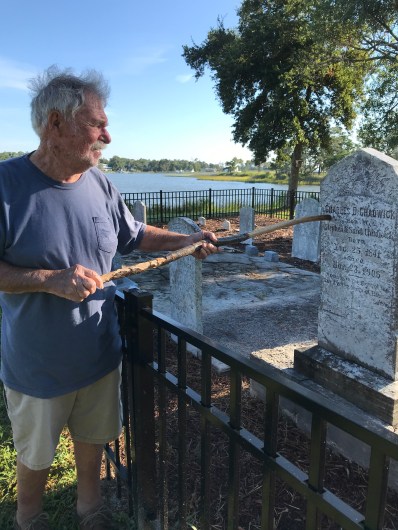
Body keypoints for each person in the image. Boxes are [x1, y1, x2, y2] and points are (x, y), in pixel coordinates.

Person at [0, 66, 218, 530]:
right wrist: (48, 278)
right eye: (96, 124)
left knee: (94, 439)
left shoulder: (100, 184)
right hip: (37, 363)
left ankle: (90, 511)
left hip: (99, 355)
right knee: (36, 454)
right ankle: (29, 518)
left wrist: (185, 240)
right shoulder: (6, 186)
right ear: (55, 124)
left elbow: (135, 234)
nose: (108, 135)